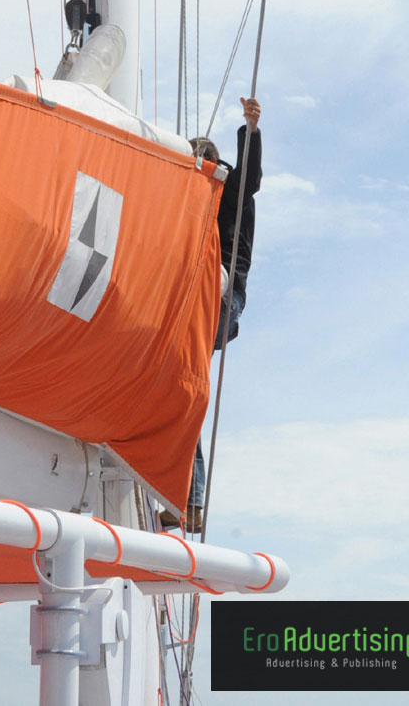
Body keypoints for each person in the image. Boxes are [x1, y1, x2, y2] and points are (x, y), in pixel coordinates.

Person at [163, 97, 262, 534]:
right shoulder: (188, 205)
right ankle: (186, 500)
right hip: (201, 305)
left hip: (222, 300)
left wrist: (250, 130)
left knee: (184, 388)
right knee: (180, 392)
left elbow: (251, 177)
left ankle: (187, 497)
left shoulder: (233, 193)